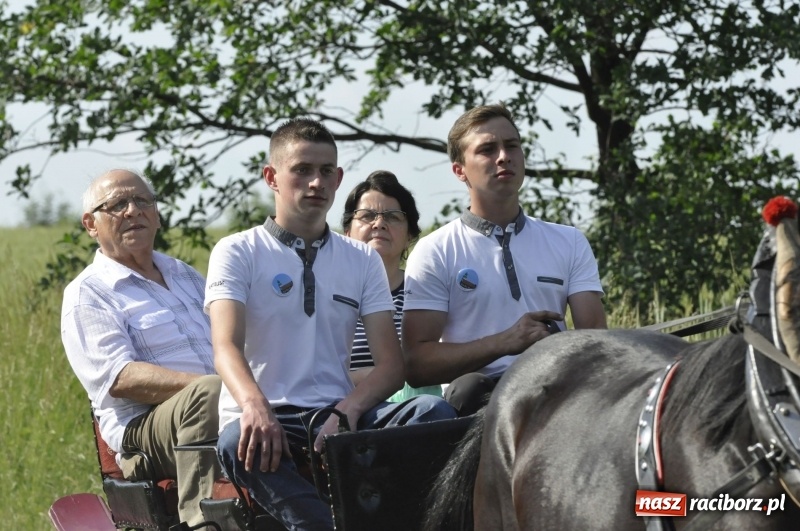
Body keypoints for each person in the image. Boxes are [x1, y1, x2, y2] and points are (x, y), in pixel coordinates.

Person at [205, 118, 456, 531]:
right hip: (268, 415)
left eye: (325, 172)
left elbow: (391, 366)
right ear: (272, 177)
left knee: (434, 410)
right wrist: (254, 405)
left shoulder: (361, 259)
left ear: (338, 178)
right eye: (301, 170)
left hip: (336, 412)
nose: (315, 182)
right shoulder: (237, 251)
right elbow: (225, 347)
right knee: (235, 442)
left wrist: (349, 408)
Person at [403, 103, 607, 417]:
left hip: (556, 390)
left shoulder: (569, 240)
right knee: (470, 388)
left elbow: (596, 341)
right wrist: (505, 342)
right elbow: (417, 364)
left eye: (512, 146)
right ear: (460, 170)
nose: (503, 156)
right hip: (478, 405)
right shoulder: (435, 250)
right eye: (487, 149)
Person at [61, 169, 221, 527]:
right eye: (117, 204)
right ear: (91, 224)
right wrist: (219, 388)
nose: (133, 211)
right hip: (143, 433)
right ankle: (202, 523)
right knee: (209, 392)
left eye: (142, 200)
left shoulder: (187, 276)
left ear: (157, 214)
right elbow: (119, 378)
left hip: (222, 407)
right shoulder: (88, 294)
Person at [342, 170, 442, 402]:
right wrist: (384, 377)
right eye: (367, 215)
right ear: (347, 231)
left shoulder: (428, 293)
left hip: (416, 411)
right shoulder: (328, 292)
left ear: (410, 235)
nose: (379, 223)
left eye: (393, 216)